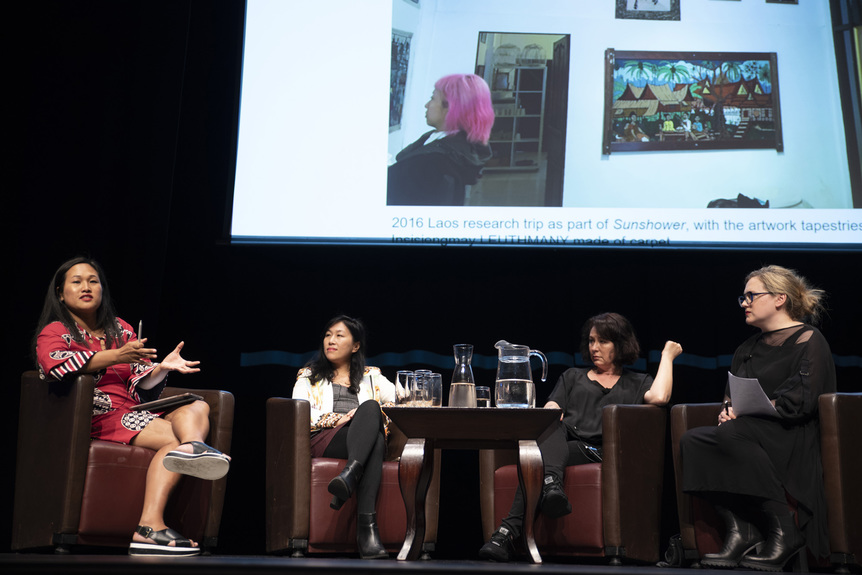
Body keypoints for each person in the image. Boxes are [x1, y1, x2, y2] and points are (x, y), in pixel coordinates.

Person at [34, 257, 230, 557]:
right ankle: (149, 526)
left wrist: (162, 368)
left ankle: (192, 446)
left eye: (93, 280)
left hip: (134, 410)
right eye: (77, 281)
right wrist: (117, 356)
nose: (86, 286)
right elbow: (54, 368)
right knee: (174, 439)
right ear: (61, 292)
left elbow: (141, 381)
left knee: (197, 407)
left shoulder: (120, 330)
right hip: (97, 415)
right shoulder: (55, 331)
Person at [479, 312, 683, 562]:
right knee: (550, 429)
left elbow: (661, 397)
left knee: (537, 462)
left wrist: (667, 355)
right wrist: (549, 410)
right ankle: (550, 486)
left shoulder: (638, 382)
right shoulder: (572, 376)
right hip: (564, 445)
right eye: (591, 341)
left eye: (603, 341)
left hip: (601, 451)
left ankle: (505, 534)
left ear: (621, 344)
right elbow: (552, 408)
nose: (594, 348)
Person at [680, 266, 835, 571]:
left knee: (733, 433)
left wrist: (744, 412)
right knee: (693, 440)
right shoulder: (747, 348)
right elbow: (732, 394)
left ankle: (785, 531)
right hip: (748, 432)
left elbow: (800, 402)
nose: (744, 303)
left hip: (792, 434)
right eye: (744, 296)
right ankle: (741, 530)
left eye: (752, 296)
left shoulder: (809, 340)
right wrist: (727, 410)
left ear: (779, 298)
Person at [292, 315, 396, 559]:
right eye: (328, 335)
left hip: (360, 440)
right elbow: (301, 411)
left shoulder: (373, 376)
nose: (331, 340)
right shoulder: (309, 376)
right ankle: (367, 532)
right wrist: (337, 419)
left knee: (371, 410)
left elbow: (400, 401)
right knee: (375, 441)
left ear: (356, 345)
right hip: (326, 439)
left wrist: (365, 416)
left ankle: (349, 475)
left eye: (339, 335)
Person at [387, 73, 494, 206]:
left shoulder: (438, 162)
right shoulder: (444, 144)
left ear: (450, 107)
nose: (426, 105)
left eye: (432, 99)